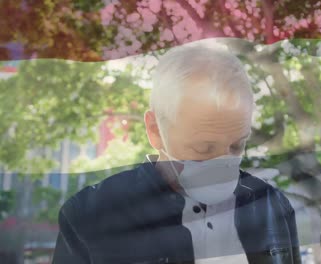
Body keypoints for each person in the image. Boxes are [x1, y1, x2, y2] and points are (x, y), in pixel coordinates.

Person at [52, 42, 300, 264]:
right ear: (155, 130)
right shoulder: (89, 216)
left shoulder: (273, 207)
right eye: (204, 148)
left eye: (237, 146)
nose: (224, 165)